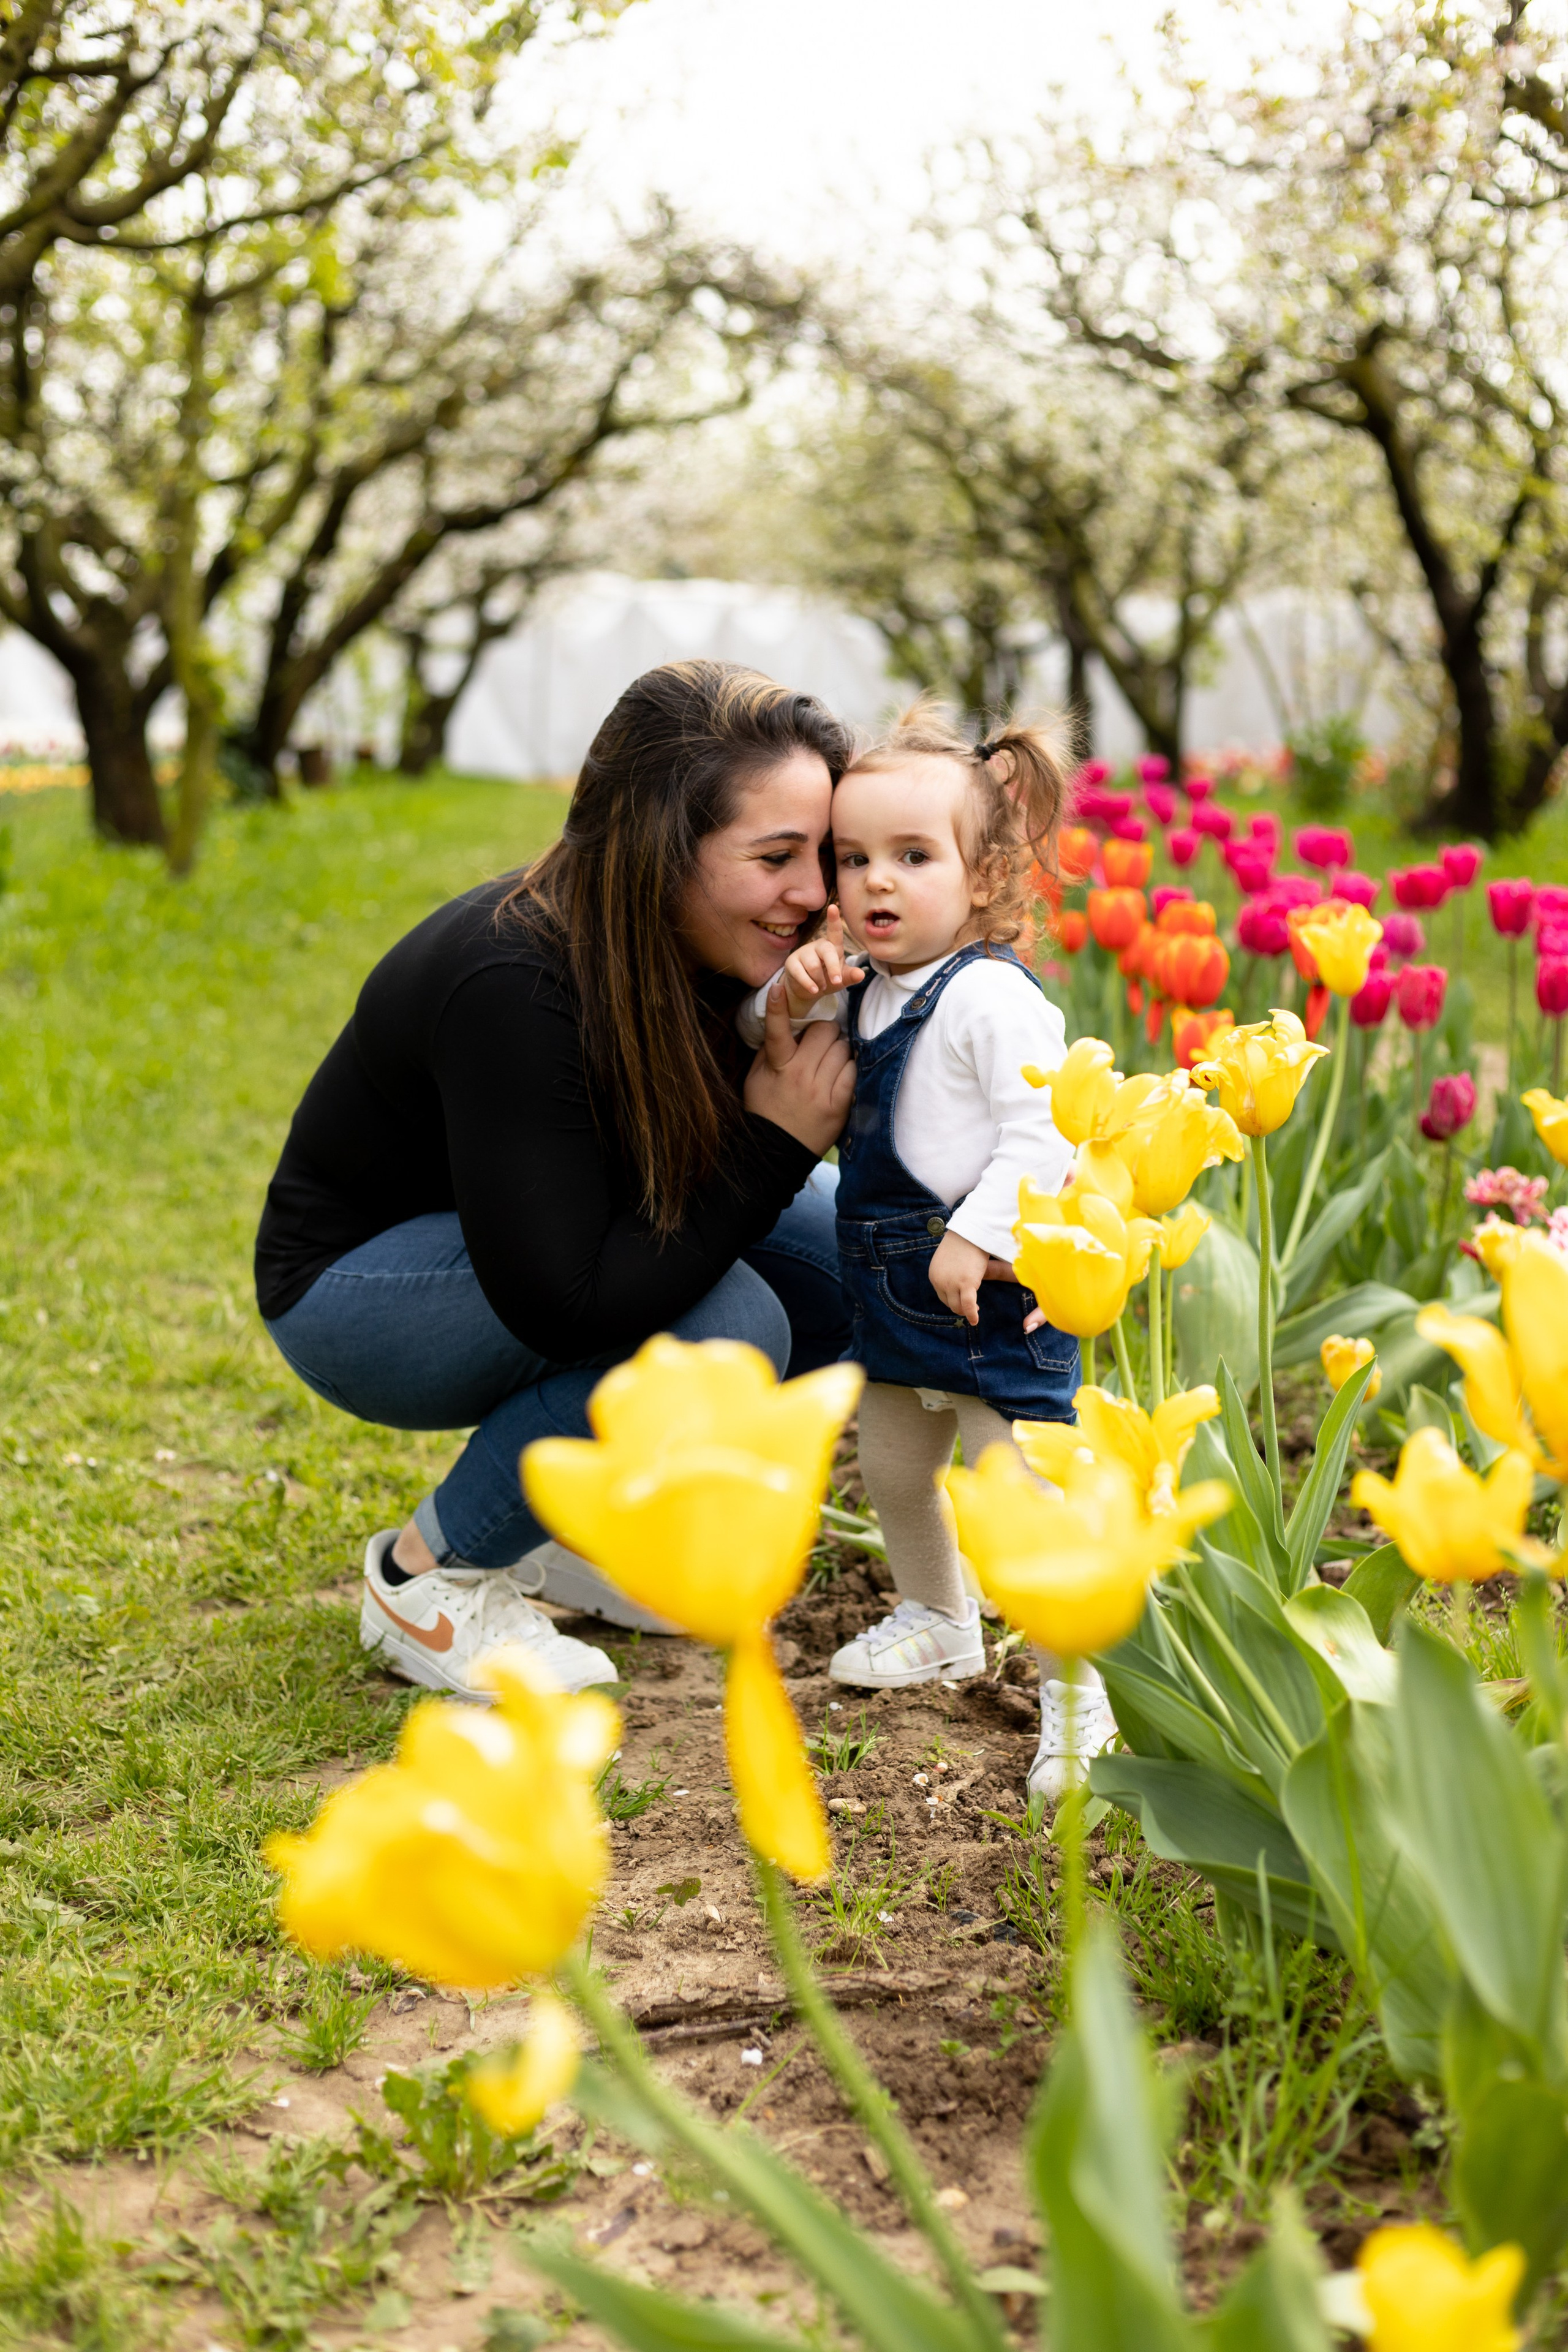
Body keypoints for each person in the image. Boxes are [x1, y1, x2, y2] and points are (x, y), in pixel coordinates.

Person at [255, 660, 856, 1702]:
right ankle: (426, 1579)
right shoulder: (513, 979)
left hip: (535, 1243)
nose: (814, 893)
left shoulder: (696, 945)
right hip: (360, 1293)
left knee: (846, 1254)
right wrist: (771, 1144)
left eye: (824, 854)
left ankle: (582, 1536)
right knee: (730, 1326)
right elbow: (565, 1303)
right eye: (776, 857)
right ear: (660, 846)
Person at [740, 703, 1117, 1800]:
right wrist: (787, 993)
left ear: (986, 875)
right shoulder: (866, 988)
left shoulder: (989, 998)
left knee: (1018, 1503)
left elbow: (1046, 1130)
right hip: (896, 1291)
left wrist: (978, 1231)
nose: (877, 883)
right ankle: (939, 1617)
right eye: (853, 858)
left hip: (989, 1291)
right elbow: (757, 1032)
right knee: (898, 1470)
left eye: (913, 857)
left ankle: (1080, 1697)